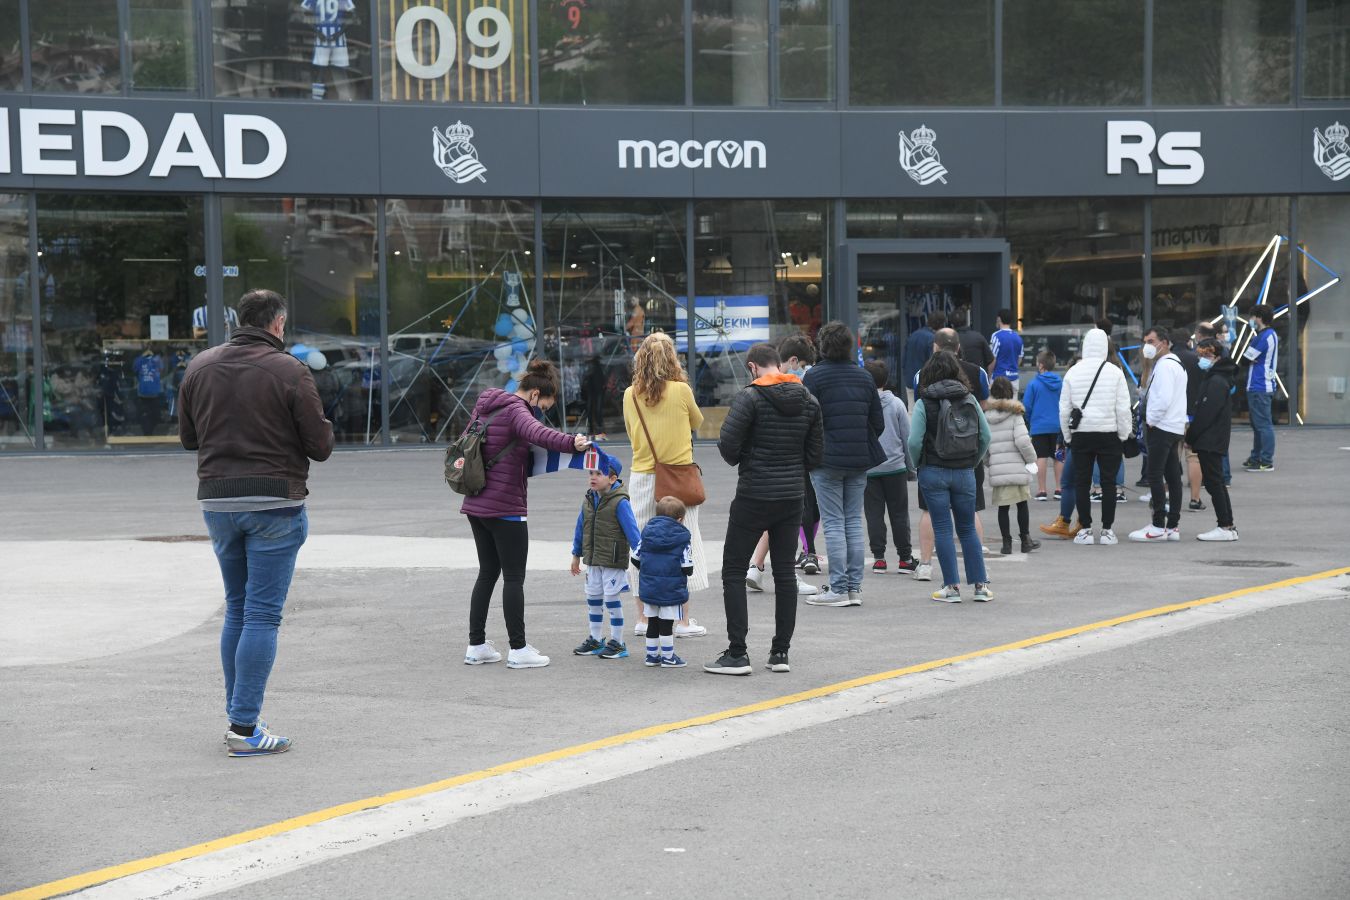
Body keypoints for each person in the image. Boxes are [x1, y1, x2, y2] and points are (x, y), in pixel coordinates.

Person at [178, 289, 334, 757]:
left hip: (218, 503)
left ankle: (239, 716)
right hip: (274, 502)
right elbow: (320, 446)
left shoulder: (199, 366)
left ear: (237, 320)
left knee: (238, 609)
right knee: (262, 615)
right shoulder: (290, 370)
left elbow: (189, 439)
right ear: (279, 324)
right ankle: (244, 729)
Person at [462, 360, 591, 670]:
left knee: (487, 573)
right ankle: (518, 649)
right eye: (542, 405)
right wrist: (572, 442)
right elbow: (539, 434)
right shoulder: (518, 410)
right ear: (535, 394)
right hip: (505, 507)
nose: (540, 412)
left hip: (476, 503)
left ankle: (476, 644)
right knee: (514, 578)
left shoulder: (486, 406)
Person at [706, 342, 823, 675]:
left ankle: (738, 653)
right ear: (779, 365)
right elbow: (815, 456)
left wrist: (750, 458)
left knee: (733, 571)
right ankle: (780, 653)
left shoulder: (749, 398)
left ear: (753, 367)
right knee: (785, 573)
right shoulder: (809, 401)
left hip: (754, 494)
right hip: (791, 497)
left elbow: (728, 446)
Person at [623, 333, 709, 638]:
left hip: (644, 477)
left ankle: (642, 618)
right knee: (684, 542)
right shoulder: (682, 391)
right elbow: (697, 423)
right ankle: (683, 620)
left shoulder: (630, 394)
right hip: (679, 477)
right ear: (673, 359)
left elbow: (633, 436)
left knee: (641, 544)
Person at [802, 322, 885, 607]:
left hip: (825, 460)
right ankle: (853, 588)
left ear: (822, 346)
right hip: (859, 459)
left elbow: (805, 421)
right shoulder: (864, 378)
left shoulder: (814, 377)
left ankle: (837, 588)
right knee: (852, 522)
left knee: (834, 523)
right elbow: (878, 422)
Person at [907, 351, 993, 603]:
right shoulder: (970, 399)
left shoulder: (924, 402)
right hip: (965, 471)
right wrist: (972, 462)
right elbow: (985, 436)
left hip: (933, 470)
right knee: (966, 528)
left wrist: (918, 464)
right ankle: (980, 586)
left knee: (942, 528)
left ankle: (952, 587)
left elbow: (914, 441)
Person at [747, 333, 822, 594]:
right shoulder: (798, 389)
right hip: (791, 466)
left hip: (762, 470)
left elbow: (733, 443)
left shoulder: (754, 393)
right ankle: (785, 574)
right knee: (787, 518)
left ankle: (756, 566)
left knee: (774, 518)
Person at [1058, 328, 1132, 546]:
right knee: (1109, 483)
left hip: (1081, 434)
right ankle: (1107, 530)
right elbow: (1123, 408)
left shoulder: (1072, 372)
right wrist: (1123, 433)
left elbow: (1064, 408)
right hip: (1109, 433)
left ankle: (1086, 529)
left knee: (1082, 481)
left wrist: (1067, 435)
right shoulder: (1115, 372)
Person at [570, 450, 642, 660]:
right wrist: (576, 554)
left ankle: (618, 642)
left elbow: (633, 531)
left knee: (611, 601)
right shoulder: (589, 499)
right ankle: (595, 638)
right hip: (593, 559)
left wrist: (641, 558)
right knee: (593, 599)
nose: (593, 477)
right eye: (591, 472)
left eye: (598, 473)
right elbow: (580, 527)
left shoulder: (620, 502)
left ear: (612, 479)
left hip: (612, 560)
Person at [1130, 327, 1188, 543]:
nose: (1148, 345)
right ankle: (1172, 525)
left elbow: (1161, 399)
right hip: (1173, 427)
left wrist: (1151, 421)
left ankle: (1157, 525)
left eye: (1152, 341)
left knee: (1155, 475)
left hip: (1162, 427)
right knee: (1173, 476)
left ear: (1164, 342)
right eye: (1145, 341)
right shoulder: (1175, 365)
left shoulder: (1165, 367)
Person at [862, 360, 916, 574]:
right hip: (895, 466)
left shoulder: (862, 404)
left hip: (870, 469)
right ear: (887, 379)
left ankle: (879, 558)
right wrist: (911, 468)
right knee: (899, 513)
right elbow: (907, 438)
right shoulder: (897, 404)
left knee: (873, 514)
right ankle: (904, 558)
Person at [631, 496, 695, 668]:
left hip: (650, 588)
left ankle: (651, 656)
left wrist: (648, 571)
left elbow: (635, 558)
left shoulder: (647, 534)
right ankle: (668, 657)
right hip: (671, 589)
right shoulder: (683, 539)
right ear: (680, 520)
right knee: (666, 624)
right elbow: (687, 566)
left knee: (652, 622)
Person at [1186, 339, 1240, 541]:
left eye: (1206, 356)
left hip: (1210, 439)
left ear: (1217, 357)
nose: (1202, 359)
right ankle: (1228, 525)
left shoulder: (1216, 381)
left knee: (1214, 483)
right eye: (1200, 355)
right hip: (1214, 438)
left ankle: (1225, 525)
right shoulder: (1218, 377)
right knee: (1215, 482)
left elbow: (1206, 414)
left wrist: (1191, 436)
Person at [985, 377, 1041, 556]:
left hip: (999, 469)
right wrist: (1031, 459)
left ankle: (1006, 543)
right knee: (1022, 504)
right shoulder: (1016, 414)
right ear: (1011, 393)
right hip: (1016, 467)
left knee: (1003, 508)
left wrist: (989, 462)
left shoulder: (987, 417)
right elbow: (1023, 441)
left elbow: (984, 444)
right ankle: (1025, 540)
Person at [1171, 327, 1206, 512]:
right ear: (1188, 341)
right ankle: (1195, 499)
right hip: (1193, 415)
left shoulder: (1167, 360)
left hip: (1172, 417)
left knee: (1170, 458)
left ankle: (1168, 496)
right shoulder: (1197, 359)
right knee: (1193, 458)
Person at [1022, 350, 1063, 500]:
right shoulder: (1060, 382)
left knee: (1041, 457)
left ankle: (1042, 490)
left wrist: (1029, 419)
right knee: (1058, 457)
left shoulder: (1034, 384)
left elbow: (1027, 405)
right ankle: (1059, 489)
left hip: (1039, 425)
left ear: (1040, 365)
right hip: (1058, 425)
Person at [1242, 304, 1278, 472]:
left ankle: (1265, 460)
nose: (1251, 320)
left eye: (1253, 317)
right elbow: (1249, 358)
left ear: (1258, 317)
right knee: (1259, 425)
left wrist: (1250, 358)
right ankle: (1257, 457)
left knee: (1262, 425)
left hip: (1259, 385)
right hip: (1262, 385)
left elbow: (1245, 358)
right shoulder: (1270, 335)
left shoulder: (1262, 337)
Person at [902, 310, 945, 407]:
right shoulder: (932, 338)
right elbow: (933, 363)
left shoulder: (913, 335)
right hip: (925, 383)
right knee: (925, 413)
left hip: (910, 380)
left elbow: (904, 360)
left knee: (912, 411)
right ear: (941, 324)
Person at [989, 308, 1024, 386]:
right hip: (1014, 379)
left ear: (999, 319)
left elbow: (992, 359)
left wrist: (989, 375)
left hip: (999, 379)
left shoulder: (996, 336)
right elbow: (1020, 359)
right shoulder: (1018, 337)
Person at [955, 308, 994, 375]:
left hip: (960, 380)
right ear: (966, 322)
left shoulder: (952, 339)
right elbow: (991, 360)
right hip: (978, 378)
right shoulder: (978, 336)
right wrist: (987, 378)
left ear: (952, 325)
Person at [581, 356, 608, 439]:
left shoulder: (594, 369)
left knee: (595, 410)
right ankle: (596, 428)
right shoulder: (595, 369)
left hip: (595, 391)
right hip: (593, 391)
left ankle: (596, 428)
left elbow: (602, 381)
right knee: (594, 410)